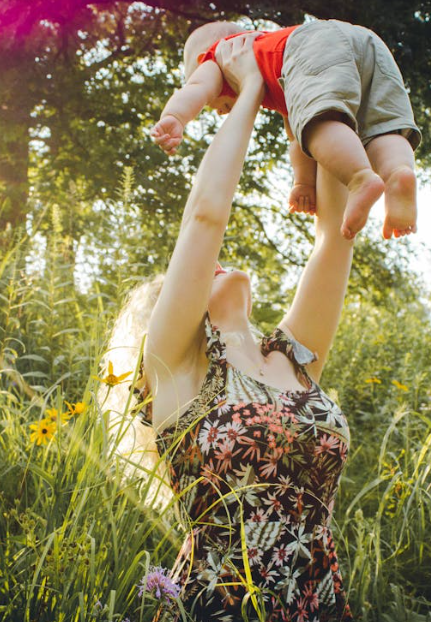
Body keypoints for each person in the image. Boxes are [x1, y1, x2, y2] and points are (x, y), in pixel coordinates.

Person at [112, 34, 356, 621]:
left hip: (317, 606)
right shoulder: (178, 366)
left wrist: (311, 95)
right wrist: (248, 90)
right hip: (220, 607)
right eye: (202, 272)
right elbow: (205, 216)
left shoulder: (292, 358)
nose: (214, 263)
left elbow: (335, 237)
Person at [150, 19, 422, 242]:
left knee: (319, 125)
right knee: (382, 126)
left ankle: (360, 178)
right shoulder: (278, 66)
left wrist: (175, 116)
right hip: (367, 42)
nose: (220, 111)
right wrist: (304, 184)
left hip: (313, 43)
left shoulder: (220, 56)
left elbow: (197, 88)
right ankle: (397, 173)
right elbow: (297, 137)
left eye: (213, 105)